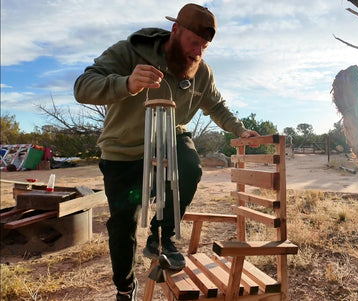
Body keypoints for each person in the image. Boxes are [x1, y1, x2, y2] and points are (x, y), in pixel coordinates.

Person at [74, 4, 259, 301]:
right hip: (123, 151)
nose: (198, 52)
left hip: (167, 145)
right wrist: (127, 84)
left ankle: (163, 236)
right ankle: (124, 286)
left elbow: (217, 106)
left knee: (189, 163)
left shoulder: (202, 73)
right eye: (194, 42)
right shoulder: (129, 52)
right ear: (175, 31)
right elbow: (83, 87)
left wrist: (239, 130)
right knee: (123, 226)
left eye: (205, 46)